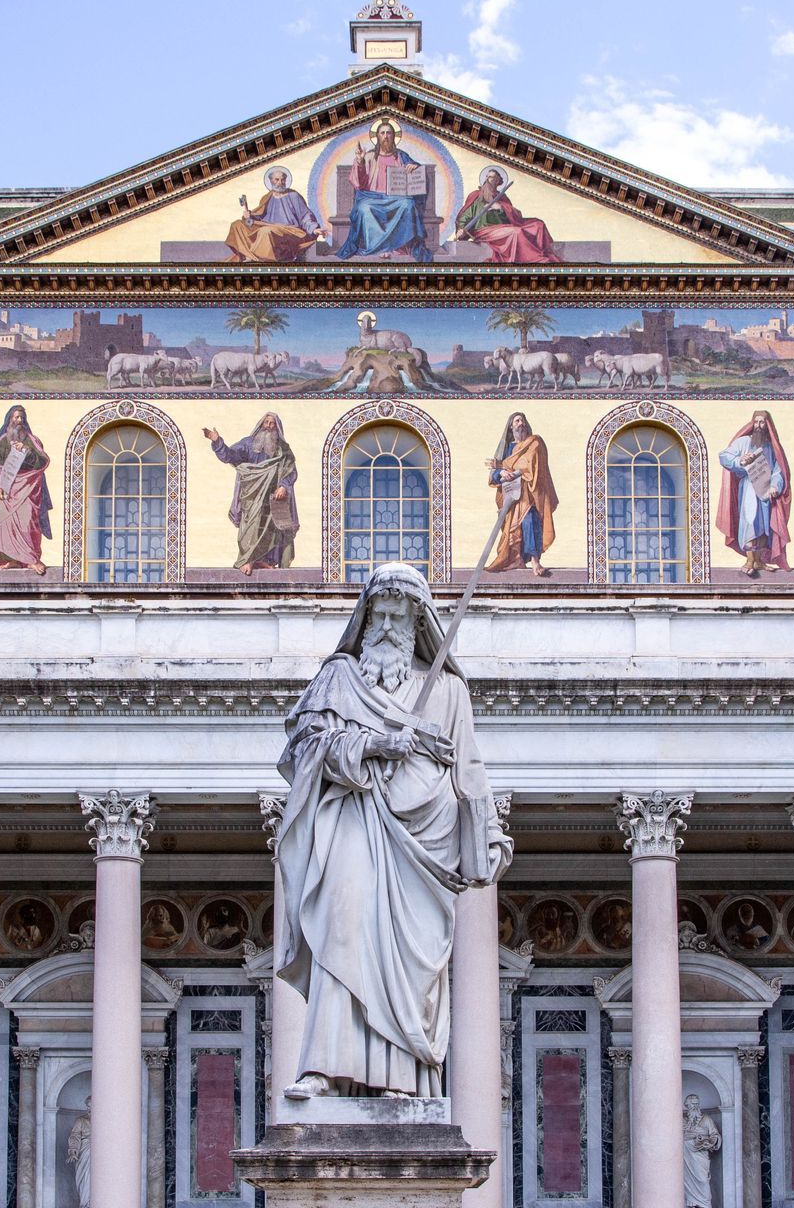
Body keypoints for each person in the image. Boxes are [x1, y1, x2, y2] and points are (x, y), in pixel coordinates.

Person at [274, 563, 512, 1098]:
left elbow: (469, 769)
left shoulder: (448, 691)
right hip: (356, 819)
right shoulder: (339, 679)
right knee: (343, 924)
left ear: (417, 625)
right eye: (378, 614)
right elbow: (306, 748)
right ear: (364, 619)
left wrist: (488, 834)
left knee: (412, 963)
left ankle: (400, 1078)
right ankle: (324, 1068)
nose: (386, 626)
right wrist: (376, 745)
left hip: (425, 839)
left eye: (398, 616)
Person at [203, 414, 298, 574]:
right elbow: (230, 455)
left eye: (272, 424)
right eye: (266, 422)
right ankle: (247, 560)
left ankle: (265, 561)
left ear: (277, 427)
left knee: (273, 529)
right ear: (260, 424)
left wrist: (283, 486)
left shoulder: (283, 449)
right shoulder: (248, 443)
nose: (268, 425)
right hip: (252, 495)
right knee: (251, 527)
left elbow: (291, 470)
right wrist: (217, 441)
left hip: (274, 497)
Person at [334, 119, 434, 262]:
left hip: (395, 199)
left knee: (408, 204)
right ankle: (377, 248)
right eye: (382, 133)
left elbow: (417, 172)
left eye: (389, 133)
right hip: (372, 198)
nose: (386, 136)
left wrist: (414, 167)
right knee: (363, 208)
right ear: (377, 137)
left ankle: (398, 247)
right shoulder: (368, 156)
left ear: (393, 136)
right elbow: (359, 184)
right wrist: (360, 162)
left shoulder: (401, 156)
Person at [0, 405, 53, 575]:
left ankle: (30, 559)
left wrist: (26, 451)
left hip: (27, 488)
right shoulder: (1, 442)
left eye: (21, 418)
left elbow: (41, 461)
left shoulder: (32, 441)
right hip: (5, 490)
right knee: (3, 520)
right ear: (9, 419)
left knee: (28, 521)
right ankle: (11, 560)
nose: (19, 421)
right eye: (16, 417)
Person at [716, 410, 792, 577]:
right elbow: (724, 456)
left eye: (762, 422)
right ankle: (750, 560)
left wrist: (775, 486)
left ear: (768, 425)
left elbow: (779, 470)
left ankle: (759, 561)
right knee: (750, 522)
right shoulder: (743, 442)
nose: (758, 426)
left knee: (764, 526)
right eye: (756, 422)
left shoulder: (772, 447)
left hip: (766, 491)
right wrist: (740, 461)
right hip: (749, 488)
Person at [486, 412, 559, 576]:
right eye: (517, 421)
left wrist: (511, 471)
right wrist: (502, 472)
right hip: (511, 496)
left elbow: (531, 465)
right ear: (511, 427)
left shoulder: (534, 442)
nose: (521, 423)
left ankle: (535, 561)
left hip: (530, 493)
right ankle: (516, 559)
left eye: (522, 420)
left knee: (530, 520)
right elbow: (494, 475)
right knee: (512, 528)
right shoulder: (507, 448)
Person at [451, 166, 562, 263]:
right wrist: (461, 231)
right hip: (485, 231)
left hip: (504, 228)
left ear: (498, 181)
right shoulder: (477, 196)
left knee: (538, 225)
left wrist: (501, 207)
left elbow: (515, 217)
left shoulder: (502, 198)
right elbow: (464, 217)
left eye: (492, 178)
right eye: (487, 177)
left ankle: (543, 253)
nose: (488, 180)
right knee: (516, 232)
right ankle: (535, 259)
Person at [225, 166, 324, 262]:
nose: (280, 183)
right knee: (237, 225)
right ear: (271, 181)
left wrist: (314, 229)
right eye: (276, 180)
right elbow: (259, 217)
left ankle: (257, 258)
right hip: (267, 227)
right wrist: (249, 216)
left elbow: (305, 216)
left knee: (266, 232)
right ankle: (248, 255)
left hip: (289, 231)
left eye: (282, 180)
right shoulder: (267, 197)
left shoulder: (294, 196)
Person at [683, 1093, 721, 1208]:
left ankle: (705, 1204)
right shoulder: (682, 1121)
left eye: (696, 1104)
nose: (695, 1106)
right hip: (686, 1156)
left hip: (700, 1157)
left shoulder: (706, 1119)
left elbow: (715, 1135)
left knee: (703, 1180)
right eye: (692, 1104)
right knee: (685, 1181)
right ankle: (690, 1203)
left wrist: (706, 1141)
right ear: (687, 1106)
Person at [67, 1112, 92, 1208]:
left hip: (101, 1152)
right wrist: (73, 1151)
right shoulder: (81, 1120)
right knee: (85, 1178)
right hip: (85, 1152)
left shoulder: (105, 1119)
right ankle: (86, 1204)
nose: (89, 1109)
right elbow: (75, 1135)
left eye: (91, 1106)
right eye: (88, 1106)